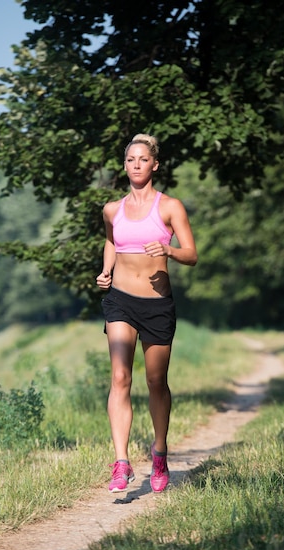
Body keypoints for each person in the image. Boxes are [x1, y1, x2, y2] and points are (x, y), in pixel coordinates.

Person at [96, 133, 197, 494]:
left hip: (157, 304)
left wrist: (168, 251)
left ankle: (159, 452)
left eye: (142, 160)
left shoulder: (170, 207)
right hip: (120, 300)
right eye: (130, 160)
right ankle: (121, 462)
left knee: (156, 382)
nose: (136, 165)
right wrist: (107, 270)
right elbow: (112, 241)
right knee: (121, 378)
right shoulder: (112, 209)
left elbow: (192, 254)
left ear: (154, 165)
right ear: (124, 166)